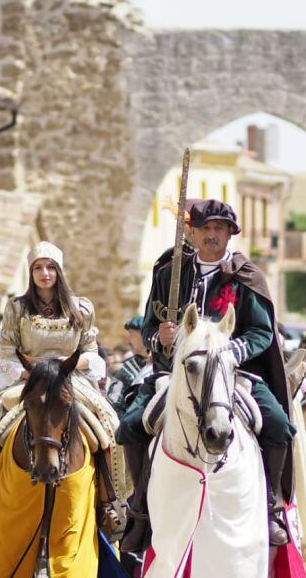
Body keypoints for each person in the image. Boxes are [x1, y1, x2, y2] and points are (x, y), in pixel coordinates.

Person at [117, 200, 296, 550]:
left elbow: (261, 332)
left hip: (232, 372)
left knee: (277, 424)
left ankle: (272, 505)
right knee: (131, 425)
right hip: (177, 372)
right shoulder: (170, 274)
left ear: (230, 234)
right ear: (192, 232)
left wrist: (230, 352)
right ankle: (140, 507)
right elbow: (151, 324)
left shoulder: (245, 278)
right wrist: (160, 338)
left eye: (220, 228)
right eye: (205, 228)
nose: (212, 235)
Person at [0, 242, 123, 537]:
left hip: (70, 378)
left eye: (51, 267)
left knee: (108, 427)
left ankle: (111, 502)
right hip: (27, 378)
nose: (45, 273)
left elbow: (91, 351)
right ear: (31, 273)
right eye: (38, 268)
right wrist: (35, 370)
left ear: (60, 271)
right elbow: (7, 351)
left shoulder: (81, 307)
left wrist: (63, 366)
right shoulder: (17, 308)